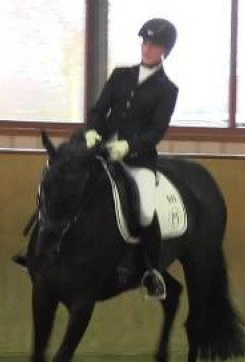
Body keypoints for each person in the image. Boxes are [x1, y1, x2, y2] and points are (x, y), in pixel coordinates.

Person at [13, 18, 178, 299]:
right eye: (145, 42)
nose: (147, 48)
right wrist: (91, 132)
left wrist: (128, 147)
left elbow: (156, 131)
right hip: (100, 151)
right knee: (59, 182)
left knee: (147, 210)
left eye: (155, 45)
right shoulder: (120, 76)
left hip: (137, 160)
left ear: (164, 51)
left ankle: (151, 271)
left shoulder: (167, 90)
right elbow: (99, 111)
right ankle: (38, 252)